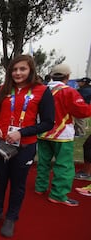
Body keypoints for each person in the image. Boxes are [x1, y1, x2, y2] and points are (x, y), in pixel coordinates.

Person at [0, 55, 54, 238]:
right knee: (0, 179)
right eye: (14, 69)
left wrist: (22, 132)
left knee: (18, 184)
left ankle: (11, 217)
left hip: (25, 146)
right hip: (3, 144)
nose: (18, 73)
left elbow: (48, 123)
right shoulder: (2, 89)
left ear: (30, 70)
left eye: (22, 69)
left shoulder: (42, 90)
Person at [36, 64, 91, 207]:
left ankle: (40, 188)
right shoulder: (69, 91)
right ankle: (58, 195)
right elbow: (82, 112)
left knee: (43, 163)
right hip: (62, 135)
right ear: (67, 77)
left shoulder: (41, 90)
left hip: (42, 132)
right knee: (64, 166)